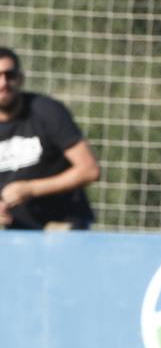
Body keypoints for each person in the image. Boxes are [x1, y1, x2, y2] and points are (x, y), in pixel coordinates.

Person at [0, 47, 100, 230]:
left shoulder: (46, 111)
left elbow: (89, 170)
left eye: (9, 75)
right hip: (16, 232)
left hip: (62, 226)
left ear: (20, 78)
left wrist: (31, 189)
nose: (3, 83)